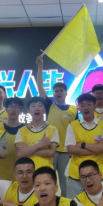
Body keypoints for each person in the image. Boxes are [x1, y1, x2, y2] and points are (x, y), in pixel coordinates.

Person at [36, 54, 78, 196]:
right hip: (50, 150)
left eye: (61, 90)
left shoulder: (74, 110)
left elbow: (77, 130)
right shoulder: (50, 105)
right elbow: (40, 87)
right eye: (56, 91)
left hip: (66, 151)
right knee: (47, 182)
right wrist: (40, 67)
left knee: (66, 184)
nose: (58, 92)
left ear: (66, 93)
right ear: (53, 93)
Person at [65, 93, 103, 199]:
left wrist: (82, 144)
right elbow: (70, 149)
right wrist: (96, 148)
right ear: (79, 108)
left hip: (98, 173)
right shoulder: (72, 125)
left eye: (89, 104)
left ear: (95, 106)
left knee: (99, 204)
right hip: (75, 174)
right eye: (82, 105)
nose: (85, 107)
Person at [15, 97, 59, 169]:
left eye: (40, 105)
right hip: (27, 171)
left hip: (46, 170)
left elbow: (51, 153)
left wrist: (28, 149)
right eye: (33, 106)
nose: (36, 108)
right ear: (29, 111)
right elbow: (20, 154)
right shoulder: (21, 131)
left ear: (44, 110)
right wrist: (40, 145)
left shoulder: (53, 129)